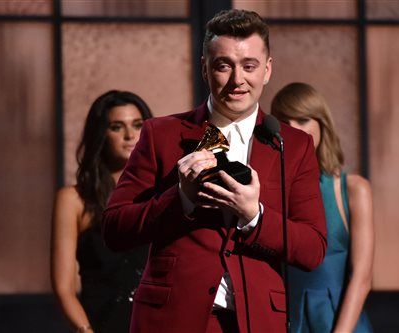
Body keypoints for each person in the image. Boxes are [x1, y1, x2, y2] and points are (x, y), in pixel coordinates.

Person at [102, 10, 327, 333]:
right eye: (224, 66)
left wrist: (254, 216)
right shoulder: (160, 134)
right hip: (172, 320)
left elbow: (313, 249)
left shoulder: (294, 145)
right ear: (205, 69)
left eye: (249, 66)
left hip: (257, 322)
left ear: (267, 70)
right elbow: (114, 229)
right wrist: (181, 199)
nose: (238, 80)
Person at [271, 82, 374, 333]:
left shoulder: (352, 189)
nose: (294, 129)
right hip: (284, 320)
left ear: (321, 124)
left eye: (303, 120)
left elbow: (362, 278)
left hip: (339, 323)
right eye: (285, 122)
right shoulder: (268, 189)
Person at [51, 90, 153, 333]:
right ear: (101, 134)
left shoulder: (163, 192)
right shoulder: (73, 200)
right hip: (100, 323)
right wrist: (85, 330)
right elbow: (63, 287)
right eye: (116, 127)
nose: (130, 135)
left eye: (138, 125)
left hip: (156, 322)